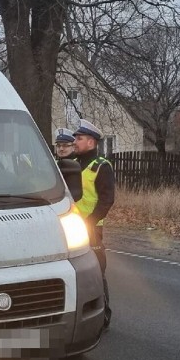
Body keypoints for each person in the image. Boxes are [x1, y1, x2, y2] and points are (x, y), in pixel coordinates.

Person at [72, 118, 114, 332]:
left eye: (79, 138)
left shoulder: (101, 166)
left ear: (91, 142)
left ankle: (103, 315)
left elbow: (107, 200)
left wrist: (88, 223)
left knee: (97, 271)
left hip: (91, 228)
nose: (75, 142)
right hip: (71, 228)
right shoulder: (75, 164)